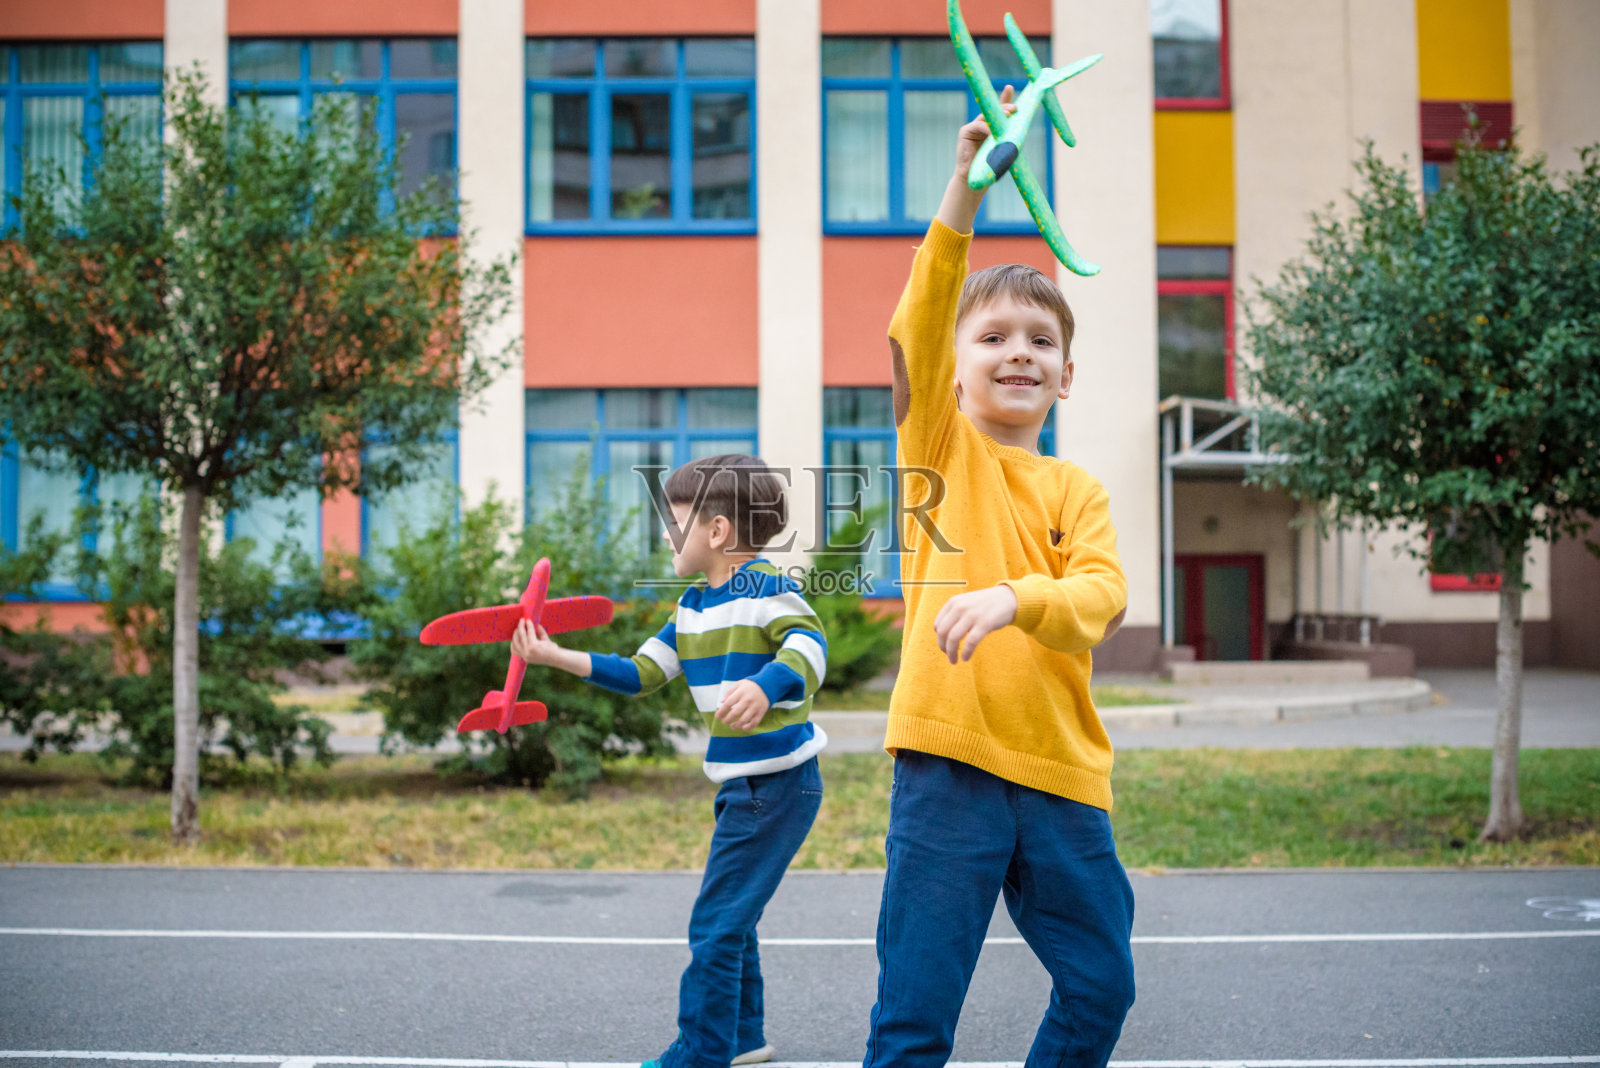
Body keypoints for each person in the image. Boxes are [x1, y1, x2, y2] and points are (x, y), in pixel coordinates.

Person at [862, 86, 1135, 1068]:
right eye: (992, 338)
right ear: (956, 368)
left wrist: (1016, 596)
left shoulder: (1076, 488)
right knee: (914, 1017)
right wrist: (963, 192)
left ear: (1066, 375)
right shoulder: (936, 447)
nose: (1017, 351)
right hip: (947, 770)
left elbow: (1100, 600)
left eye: (1040, 340)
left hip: (1060, 773)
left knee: (1102, 985)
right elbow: (917, 321)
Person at [512, 453, 828, 1068]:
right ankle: (741, 1035)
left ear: (717, 532)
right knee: (733, 915)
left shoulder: (769, 591)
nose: (665, 533)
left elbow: (809, 647)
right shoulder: (690, 606)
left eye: (674, 521)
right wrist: (556, 657)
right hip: (746, 788)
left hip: (777, 785)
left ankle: (701, 1052)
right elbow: (639, 673)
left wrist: (767, 684)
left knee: (714, 924)